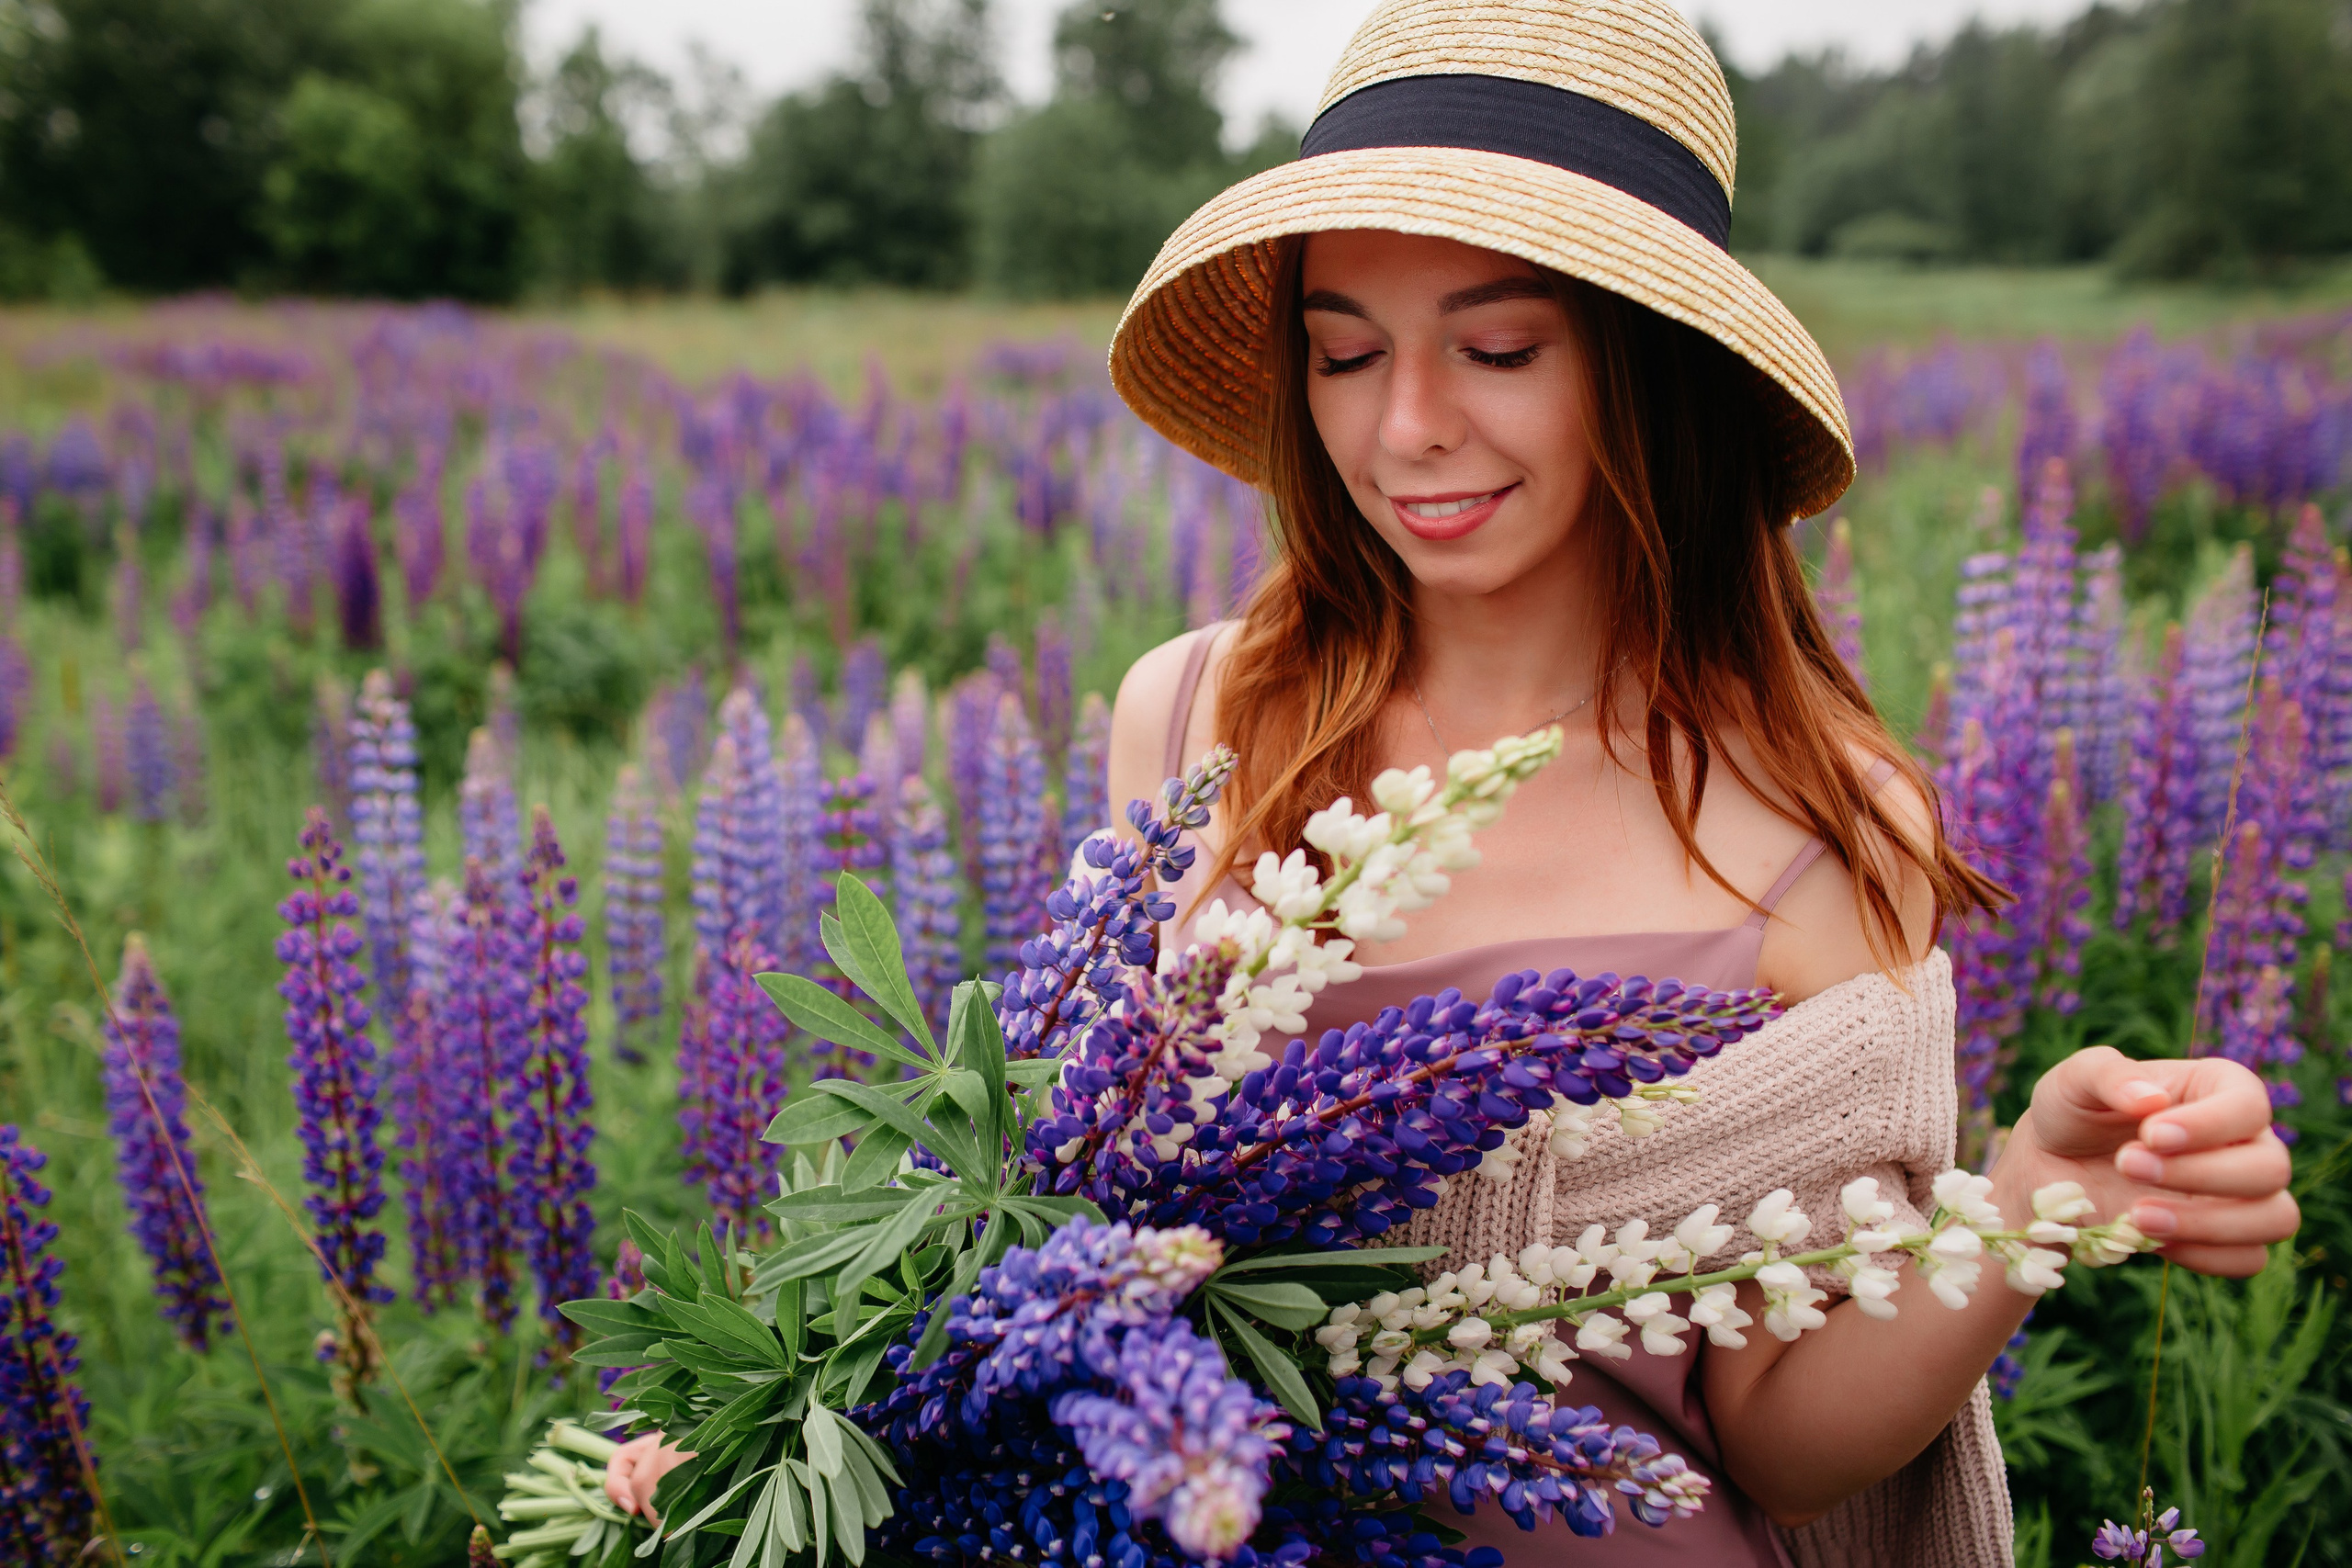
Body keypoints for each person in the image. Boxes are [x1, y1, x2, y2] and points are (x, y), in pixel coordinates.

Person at [611, 3, 2298, 1561]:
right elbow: (1042, 1234)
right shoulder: (1195, 716)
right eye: (1344, 354)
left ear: (1650, 371)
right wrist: (800, 1420)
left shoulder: (1817, 825)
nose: (1405, 427)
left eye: (1498, 350)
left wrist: (2027, 1208)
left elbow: (1786, 1450)